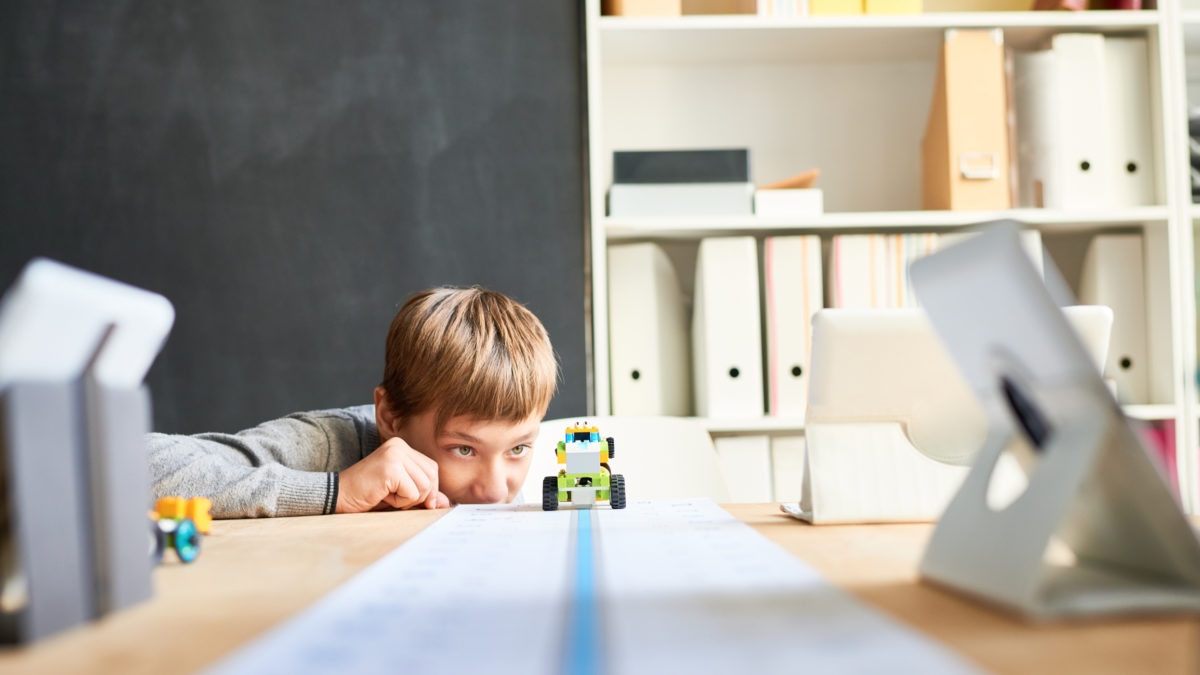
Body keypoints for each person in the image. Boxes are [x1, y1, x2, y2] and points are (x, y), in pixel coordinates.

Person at [147, 286, 559, 518]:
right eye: (464, 449)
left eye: (518, 449)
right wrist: (335, 490)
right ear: (391, 418)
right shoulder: (328, 444)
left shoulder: (492, 493)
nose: (493, 490)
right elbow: (128, 464)